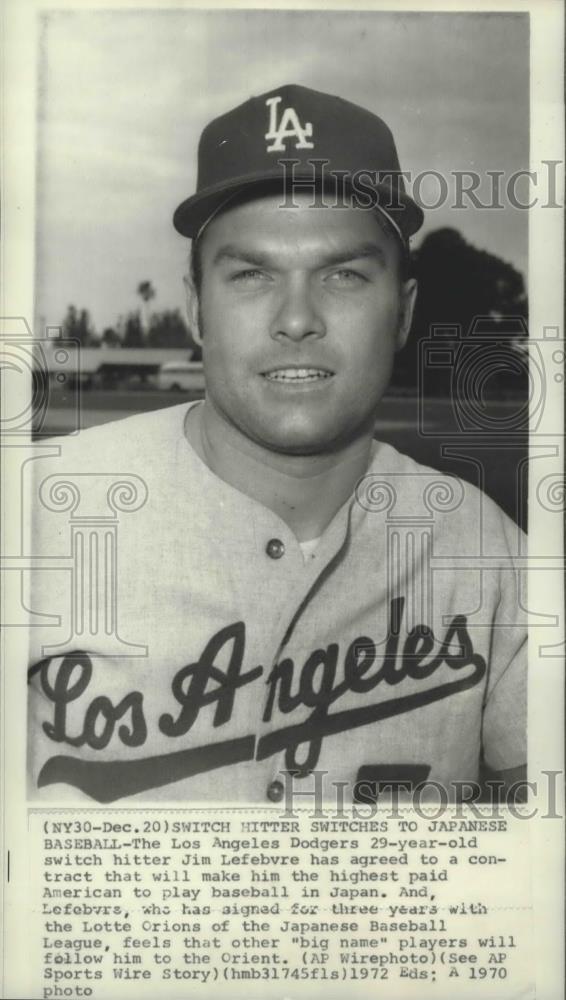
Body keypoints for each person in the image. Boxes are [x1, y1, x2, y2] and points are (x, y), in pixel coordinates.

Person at [27, 84, 526, 804]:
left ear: (404, 312)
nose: (297, 319)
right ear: (198, 310)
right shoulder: (37, 515)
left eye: (344, 275)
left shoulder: (489, 549)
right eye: (253, 275)